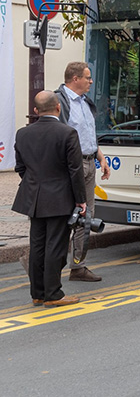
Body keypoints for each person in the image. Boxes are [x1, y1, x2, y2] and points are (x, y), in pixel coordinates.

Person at [13, 91, 87, 307]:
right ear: (58, 107)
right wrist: (80, 200)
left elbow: (20, 167)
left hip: (33, 197)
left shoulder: (22, 133)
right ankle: (53, 294)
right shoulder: (67, 133)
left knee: (37, 245)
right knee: (56, 246)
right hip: (59, 197)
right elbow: (76, 171)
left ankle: (38, 293)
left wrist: (35, 184)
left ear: (36, 111)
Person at [55, 61, 110, 281]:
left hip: (89, 162)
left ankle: (78, 266)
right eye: (87, 77)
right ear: (75, 79)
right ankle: (45, 263)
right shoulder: (59, 101)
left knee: (86, 217)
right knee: (65, 216)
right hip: (71, 166)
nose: (91, 81)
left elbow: (88, 135)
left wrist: (101, 158)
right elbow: (56, 137)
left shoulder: (86, 103)